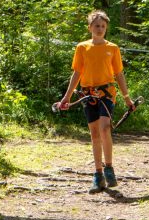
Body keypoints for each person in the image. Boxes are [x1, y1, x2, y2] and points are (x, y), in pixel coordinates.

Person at [56, 10, 135, 193]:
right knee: (94, 133)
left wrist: (126, 97)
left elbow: (119, 74)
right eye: (97, 26)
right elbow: (76, 73)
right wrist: (66, 97)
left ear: (106, 28)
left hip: (106, 92)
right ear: (90, 27)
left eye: (103, 26)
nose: (100, 29)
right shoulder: (82, 47)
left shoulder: (112, 48)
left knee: (105, 128)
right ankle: (97, 174)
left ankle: (109, 168)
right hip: (87, 94)